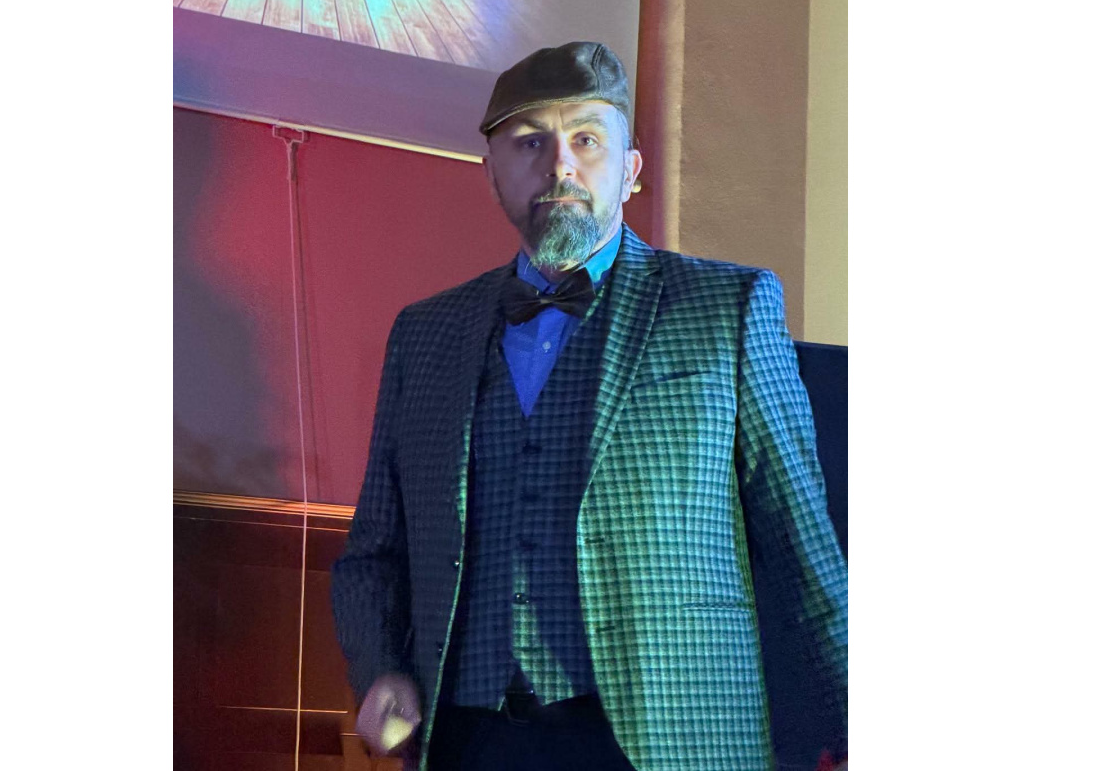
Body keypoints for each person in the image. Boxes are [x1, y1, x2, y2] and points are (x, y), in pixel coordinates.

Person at [331, 42, 847, 771]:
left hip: (673, 739)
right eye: (529, 142)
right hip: (473, 739)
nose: (559, 165)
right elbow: (374, 553)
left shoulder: (727, 307)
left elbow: (802, 542)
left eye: (586, 140)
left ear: (630, 170)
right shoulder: (425, 333)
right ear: (491, 173)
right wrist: (379, 668)